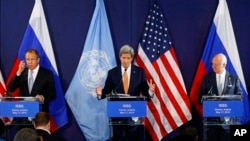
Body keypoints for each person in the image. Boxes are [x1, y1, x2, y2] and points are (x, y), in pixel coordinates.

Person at [96, 45, 155, 141]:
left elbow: (145, 91)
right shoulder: (112, 73)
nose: (126, 61)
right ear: (120, 57)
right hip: (117, 116)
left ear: (132, 58)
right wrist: (100, 93)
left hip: (134, 116)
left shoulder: (140, 72)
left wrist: (150, 91)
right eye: (123, 58)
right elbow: (106, 91)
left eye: (128, 58)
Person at [198, 53, 242, 141]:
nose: (212, 66)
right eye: (212, 64)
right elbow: (200, 98)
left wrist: (225, 98)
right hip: (211, 123)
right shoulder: (206, 78)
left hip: (228, 123)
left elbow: (239, 97)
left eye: (216, 64)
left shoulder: (234, 79)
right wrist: (210, 99)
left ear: (224, 65)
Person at [8, 48, 56, 113]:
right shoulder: (22, 72)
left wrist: (42, 97)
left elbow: (52, 94)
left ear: (38, 60)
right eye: (27, 59)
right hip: (23, 112)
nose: (30, 62)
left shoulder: (47, 74)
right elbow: (11, 88)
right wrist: (19, 72)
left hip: (39, 113)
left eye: (32, 59)